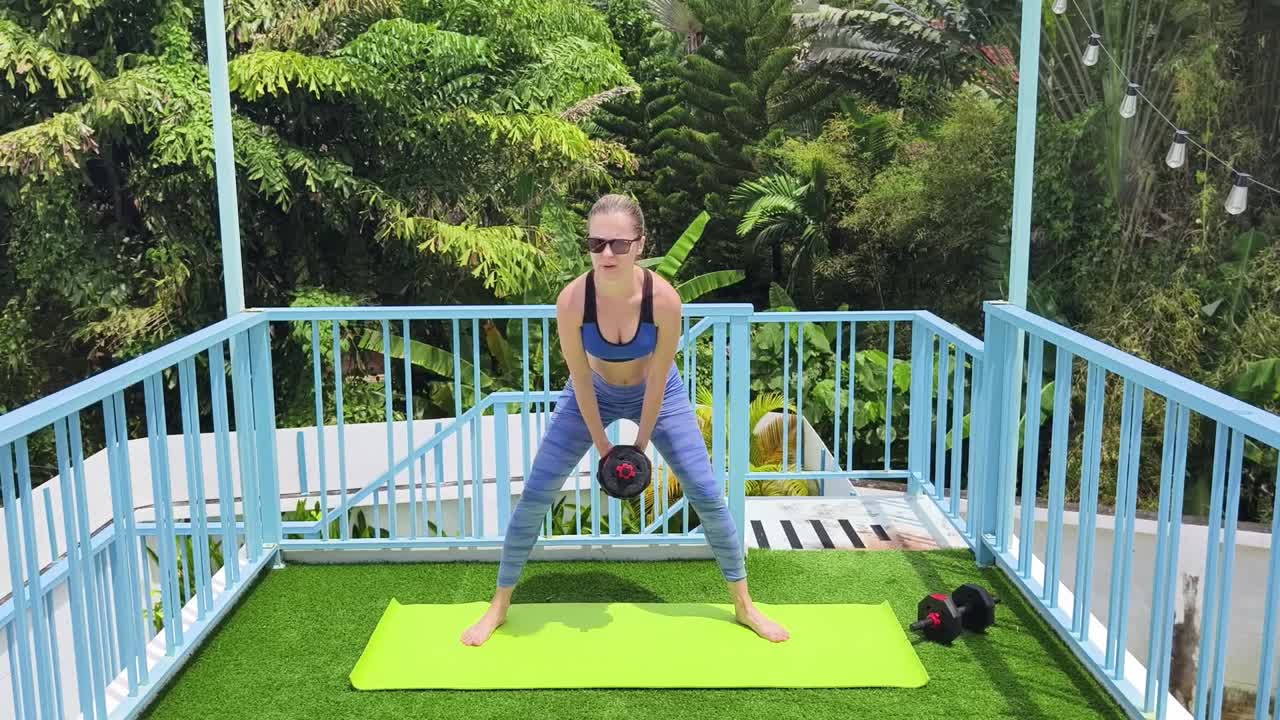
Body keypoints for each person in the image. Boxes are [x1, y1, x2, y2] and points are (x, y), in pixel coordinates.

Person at [460, 194, 789, 646]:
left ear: (639, 244)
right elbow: (577, 376)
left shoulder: (664, 300)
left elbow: (657, 379)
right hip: (589, 393)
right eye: (597, 244)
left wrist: (638, 444)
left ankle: (745, 605)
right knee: (535, 495)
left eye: (618, 244)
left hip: (660, 393)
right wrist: (604, 448)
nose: (606, 254)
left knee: (708, 495)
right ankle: (498, 607)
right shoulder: (574, 300)